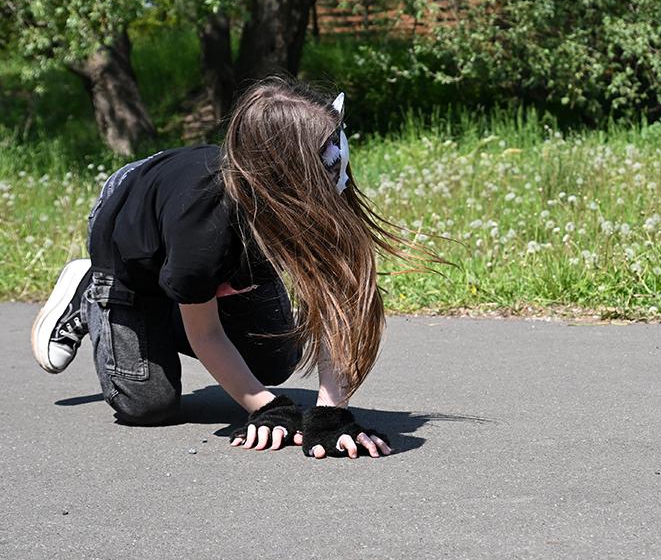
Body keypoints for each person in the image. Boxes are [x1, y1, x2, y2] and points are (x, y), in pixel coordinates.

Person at [31, 77, 429, 459]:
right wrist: (263, 406)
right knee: (147, 404)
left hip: (215, 249)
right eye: (327, 159)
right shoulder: (203, 230)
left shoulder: (317, 189)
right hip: (133, 244)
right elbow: (204, 332)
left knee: (275, 360)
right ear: (287, 173)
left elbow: (338, 305)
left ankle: (187, 294)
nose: (339, 167)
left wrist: (330, 414)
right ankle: (89, 290)